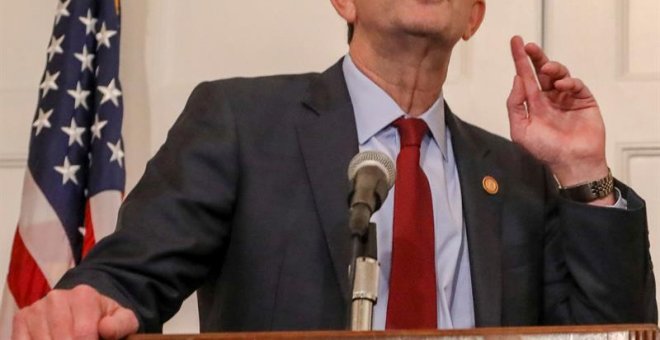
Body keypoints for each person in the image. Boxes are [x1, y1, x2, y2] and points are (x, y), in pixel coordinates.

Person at [12, 0, 657, 338]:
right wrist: (87, 305)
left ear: (473, 18)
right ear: (342, 0)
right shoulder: (239, 120)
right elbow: (129, 276)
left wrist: (583, 172)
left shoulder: (517, 173)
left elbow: (611, 335)